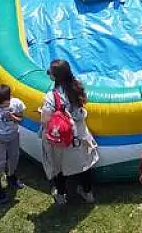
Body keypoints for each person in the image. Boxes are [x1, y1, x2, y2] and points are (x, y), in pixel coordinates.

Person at [40, 59, 99, 205]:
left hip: (63, 140)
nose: (48, 73)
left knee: (60, 169)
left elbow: (45, 120)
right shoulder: (77, 86)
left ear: (55, 76)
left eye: (50, 72)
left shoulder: (52, 97)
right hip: (80, 134)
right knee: (84, 166)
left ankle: (61, 196)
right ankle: (87, 193)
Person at [0, 84, 25, 203]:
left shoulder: (17, 104)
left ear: (9, 98)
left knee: (14, 157)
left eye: (4, 105)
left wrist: (12, 116)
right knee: (0, 163)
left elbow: (21, 119)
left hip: (13, 137)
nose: (1, 107)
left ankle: (11, 175)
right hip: (0, 139)